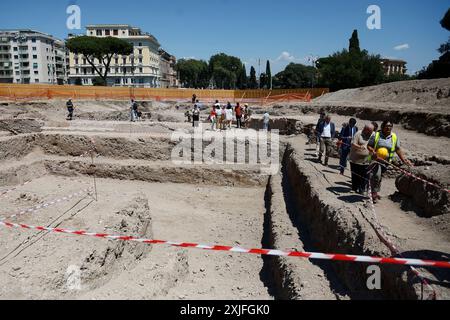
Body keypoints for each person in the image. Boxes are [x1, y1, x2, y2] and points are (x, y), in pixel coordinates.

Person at [367, 120, 413, 203]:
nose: (388, 128)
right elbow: (369, 145)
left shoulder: (394, 137)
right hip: (375, 160)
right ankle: (373, 194)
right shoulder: (376, 135)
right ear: (382, 127)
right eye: (386, 126)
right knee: (376, 175)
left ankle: (375, 191)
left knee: (380, 176)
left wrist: (404, 160)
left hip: (386, 161)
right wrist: (373, 151)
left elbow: (398, 149)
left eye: (390, 126)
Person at [349, 124, 374, 194]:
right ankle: (354, 188)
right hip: (355, 159)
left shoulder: (373, 135)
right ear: (366, 129)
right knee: (355, 174)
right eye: (370, 131)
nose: (371, 133)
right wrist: (360, 147)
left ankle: (362, 189)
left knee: (365, 175)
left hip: (367, 158)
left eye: (372, 131)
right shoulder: (358, 134)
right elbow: (353, 144)